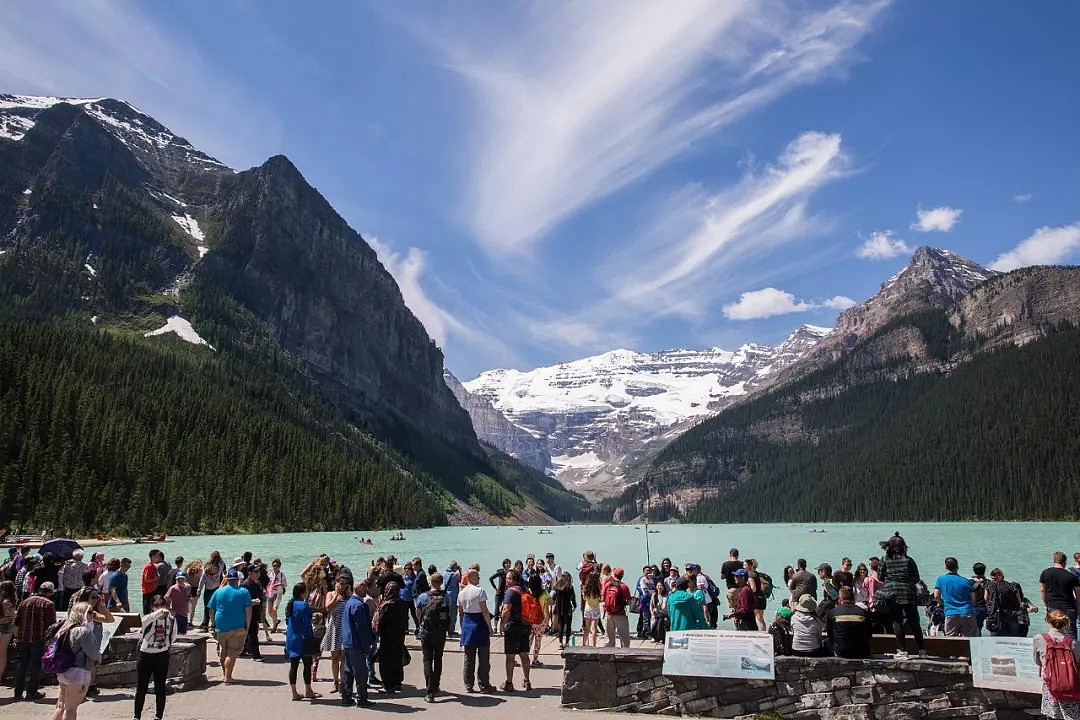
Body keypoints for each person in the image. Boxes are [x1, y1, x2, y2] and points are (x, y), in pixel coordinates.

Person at [876, 533, 926, 659]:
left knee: (897, 621)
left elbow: (880, 577)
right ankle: (922, 650)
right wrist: (906, 581)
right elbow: (916, 578)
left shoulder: (884, 559)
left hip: (892, 592)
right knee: (915, 622)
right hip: (909, 592)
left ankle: (903, 651)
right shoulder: (909, 560)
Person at [52, 600, 100, 720]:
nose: (92, 615)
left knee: (60, 707)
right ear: (83, 613)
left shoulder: (65, 627)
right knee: (71, 709)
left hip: (63, 670)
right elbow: (93, 654)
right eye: (89, 612)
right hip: (79, 673)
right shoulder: (84, 631)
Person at [1032, 609, 1080, 720]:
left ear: (1047, 622)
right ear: (1066, 623)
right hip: (1071, 685)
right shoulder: (1074, 644)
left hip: (1050, 685)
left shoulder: (1038, 639)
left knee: (1052, 714)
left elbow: (1037, 661)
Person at [134, 595, 176, 720]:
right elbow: (146, 621)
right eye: (156, 605)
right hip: (146, 655)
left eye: (162, 604)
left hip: (162, 655)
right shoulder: (148, 618)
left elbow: (173, 636)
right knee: (142, 687)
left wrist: (163, 646)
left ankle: (159, 715)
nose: (160, 608)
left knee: (160, 687)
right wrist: (158, 613)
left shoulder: (172, 620)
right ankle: (137, 716)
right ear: (152, 607)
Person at [13, 580, 56, 700]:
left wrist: (16, 638)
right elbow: (51, 626)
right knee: (35, 666)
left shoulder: (24, 602)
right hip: (38, 639)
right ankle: (31, 692)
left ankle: (17, 692)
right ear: (51, 592)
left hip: (23, 638)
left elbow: (17, 622)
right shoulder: (48, 604)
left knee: (22, 665)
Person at [208, 568, 252, 684]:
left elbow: (211, 610)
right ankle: (228, 677)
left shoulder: (218, 592)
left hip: (221, 625)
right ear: (237, 580)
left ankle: (225, 675)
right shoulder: (244, 592)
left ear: (227, 580)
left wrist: (213, 623)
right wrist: (247, 626)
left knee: (223, 652)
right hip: (238, 625)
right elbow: (248, 611)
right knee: (232, 652)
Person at [458, 568, 495, 693]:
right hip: (479, 623)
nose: (479, 579)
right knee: (484, 657)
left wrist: (462, 627)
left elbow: (461, 613)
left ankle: (468, 684)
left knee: (469, 657)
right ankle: (484, 684)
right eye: (477, 577)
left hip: (467, 624)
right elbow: (484, 610)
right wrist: (489, 627)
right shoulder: (480, 591)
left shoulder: (461, 593)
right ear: (472, 578)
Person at [417, 571, 450, 702]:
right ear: (441, 583)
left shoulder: (423, 597)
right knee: (438, 658)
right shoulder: (445, 597)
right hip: (440, 633)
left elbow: (418, 613)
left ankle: (430, 691)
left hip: (426, 632)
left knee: (427, 659)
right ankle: (436, 685)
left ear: (431, 582)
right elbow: (449, 613)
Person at [341, 581, 375, 707]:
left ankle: (346, 696)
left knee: (348, 670)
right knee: (361, 672)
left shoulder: (349, 602)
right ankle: (361, 698)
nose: (366, 588)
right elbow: (362, 628)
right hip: (356, 643)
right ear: (358, 589)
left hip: (348, 642)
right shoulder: (359, 606)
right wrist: (367, 646)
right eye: (363, 587)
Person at [284, 583, 319, 701]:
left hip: (291, 637)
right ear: (302, 593)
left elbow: (288, 621)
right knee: (307, 664)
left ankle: (294, 692)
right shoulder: (304, 605)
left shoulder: (290, 604)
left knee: (293, 665)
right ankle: (308, 690)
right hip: (303, 638)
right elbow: (306, 623)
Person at [499, 570, 532, 692]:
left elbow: (506, 609)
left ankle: (509, 683)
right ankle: (527, 681)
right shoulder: (525, 590)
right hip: (525, 625)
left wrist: (502, 624)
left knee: (510, 655)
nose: (506, 580)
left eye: (507, 578)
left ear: (512, 579)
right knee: (524, 654)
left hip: (513, 625)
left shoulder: (510, 592)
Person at [376, 581, 409, 693]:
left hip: (387, 636)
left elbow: (380, 622)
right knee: (397, 659)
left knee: (385, 661)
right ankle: (397, 683)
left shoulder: (386, 605)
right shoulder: (403, 604)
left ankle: (387, 685)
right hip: (399, 636)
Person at [1040, 551, 1080, 640]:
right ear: (1064, 562)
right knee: (1071, 634)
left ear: (1054, 560)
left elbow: (1043, 590)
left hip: (1053, 607)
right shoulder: (1071, 576)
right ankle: (1072, 653)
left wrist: (1046, 603)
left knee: (1053, 632)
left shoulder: (1045, 573)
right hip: (1069, 607)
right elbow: (1078, 595)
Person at [934, 557, 977, 637]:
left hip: (951, 613)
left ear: (946, 567)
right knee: (969, 640)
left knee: (951, 640)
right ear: (957, 567)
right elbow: (974, 599)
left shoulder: (940, 579)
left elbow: (936, 595)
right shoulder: (966, 581)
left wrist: (939, 603)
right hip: (967, 612)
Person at [320, 574, 348, 692]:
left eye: (344, 584)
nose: (342, 586)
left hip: (344, 626)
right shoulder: (331, 594)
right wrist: (336, 594)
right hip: (334, 626)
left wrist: (348, 592)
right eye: (340, 583)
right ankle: (335, 681)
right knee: (334, 657)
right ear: (335, 583)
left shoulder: (348, 595)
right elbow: (328, 608)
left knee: (343, 657)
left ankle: (343, 681)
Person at [827, 587, 871, 659]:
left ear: (840, 598)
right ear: (853, 598)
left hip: (841, 652)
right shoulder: (863, 613)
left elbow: (830, 634)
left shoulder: (833, 612)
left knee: (825, 642)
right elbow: (869, 634)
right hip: (862, 652)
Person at [241, 564, 266, 661]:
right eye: (256, 572)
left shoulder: (255, 582)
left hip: (255, 611)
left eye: (258, 572)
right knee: (252, 632)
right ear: (250, 573)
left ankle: (245, 650)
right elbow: (243, 600)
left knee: (251, 632)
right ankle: (255, 655)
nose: (258, 573)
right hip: (249, 611)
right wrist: (253, 601)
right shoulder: (246, 584)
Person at [603, 567, 632, 648]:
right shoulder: (624, 587)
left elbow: (603, 599)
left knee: (609, 639)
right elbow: (629, 602)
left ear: (614, 574)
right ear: (622, 576)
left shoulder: (607, 585)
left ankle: (607, 656)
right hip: (621, 614)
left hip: (608, 614)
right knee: (624, 639)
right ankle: (624, 656)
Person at [197, 551, 224, 631]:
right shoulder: (219, 568)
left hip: (208, 590)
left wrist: (199, 591)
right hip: (216, 590)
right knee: (216, 608)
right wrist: (219, 557)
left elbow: (202, 581)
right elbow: (222, 563)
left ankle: (205, 626)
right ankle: (215, 625)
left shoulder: (206, 569)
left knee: (207, 608)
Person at [553, 572, 577, 649]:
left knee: (561, 625)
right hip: (567, 608)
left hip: (559, 608)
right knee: (568, 626)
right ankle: (567, 642)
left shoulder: (557, 587)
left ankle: (560, 642)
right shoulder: (570, 587)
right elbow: (573, 598)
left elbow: (554, 598)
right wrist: (575, 605)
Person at [266, 559, 286, 634]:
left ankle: (274, 627)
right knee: (269, 611)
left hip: (278, 594)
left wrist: (280, 584)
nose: (275, 567)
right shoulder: (269, 574)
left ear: (279, 566)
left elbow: (285, 585)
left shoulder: (281, 575)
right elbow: (267, 584)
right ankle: (276, 621)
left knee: (274, 609)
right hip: (270, 593)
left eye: (277, 566)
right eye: (274, 566)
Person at [581, 572, 602, 645]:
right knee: (594, 629)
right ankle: (593, 645)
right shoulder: (598, 588)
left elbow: (584, 598)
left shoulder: (585, 587)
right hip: (595, 609)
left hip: (587, 609)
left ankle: (584, 643)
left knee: (586, 628)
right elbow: (600, 599)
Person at [444, 561, 462, 637]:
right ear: (454, 567)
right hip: (453, 597)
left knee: (447, 614)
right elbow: (461, 579)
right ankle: (451, 631)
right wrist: (460, 570)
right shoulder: (455, 575)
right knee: (453, 615)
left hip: (446, 596)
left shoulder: (444, 573)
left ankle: (445, 630)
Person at [141, 550, 162, 615]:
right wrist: (156, 578)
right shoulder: (149, 566)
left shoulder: (153, 566)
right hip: (148, 591)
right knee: (147, 611)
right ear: (153, 557)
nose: (159, 557)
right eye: (158, 555)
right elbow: (146, 579)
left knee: (152, 609)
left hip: (152, 590)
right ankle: (146, 624)